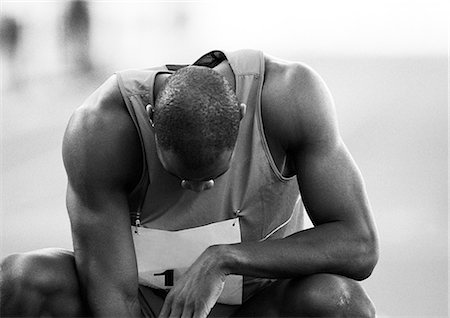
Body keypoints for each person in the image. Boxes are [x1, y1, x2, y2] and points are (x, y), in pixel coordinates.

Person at [0, 49, 379, 317]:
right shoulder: (100, 130)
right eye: (180, 176)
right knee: (23, 279)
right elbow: (113, 295)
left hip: (255, 308)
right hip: (146, 309)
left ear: (242, 118)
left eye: (213, 175)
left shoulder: (289, 97)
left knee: (339, 302)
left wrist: (222, 260)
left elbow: (358, 245)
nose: (198, 190)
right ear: (150, 120)